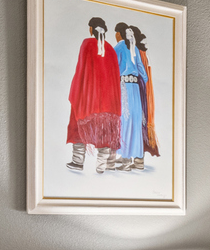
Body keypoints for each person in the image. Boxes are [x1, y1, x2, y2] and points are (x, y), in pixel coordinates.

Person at [66, 16, 121, 173]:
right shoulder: (111, 49)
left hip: (88, 96)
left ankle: (78, 161)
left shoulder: (87, 43)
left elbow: (81, 69)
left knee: (77, 125)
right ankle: (102, 166)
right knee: (105, 129)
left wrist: (76, 92)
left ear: (91, 29)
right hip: (108, 100)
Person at [112, 24, 159, 171]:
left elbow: (113, 69)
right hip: (135, 88)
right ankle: (137, 160)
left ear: (119, 34)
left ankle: (125, 161)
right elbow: (143, 73)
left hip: (123, 86)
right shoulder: (134, 49)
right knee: (135, 122)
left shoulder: (118, 48)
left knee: (124, 122)